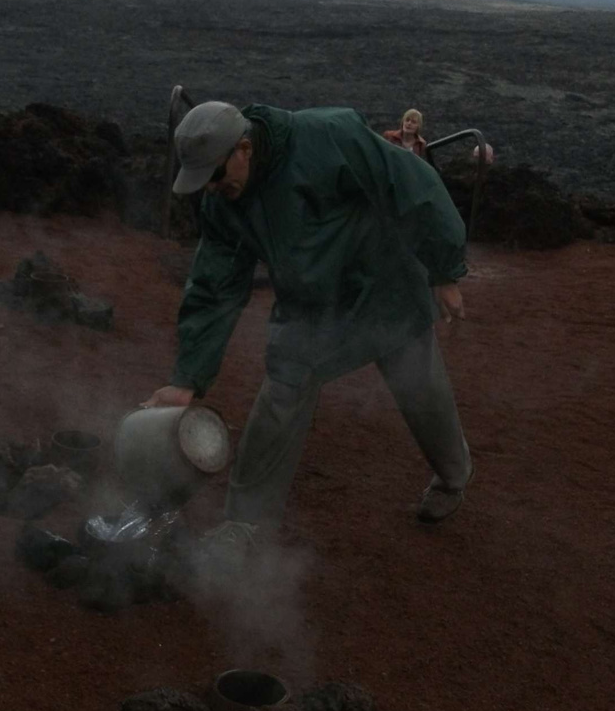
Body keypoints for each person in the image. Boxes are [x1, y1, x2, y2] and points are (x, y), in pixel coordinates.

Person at [144, 100, 473, 536]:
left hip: (383, 286)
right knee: (280, 396)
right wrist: (188, 377)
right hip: (310, 311)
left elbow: (414, 182)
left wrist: (444, 269)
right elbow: (213, 286)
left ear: (244, 148)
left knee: (421, 388)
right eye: (202, 182)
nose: (211, 189)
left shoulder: (327, 136)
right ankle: (244, 524)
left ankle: (454, 476)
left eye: (216, 175)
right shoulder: (225, 202)